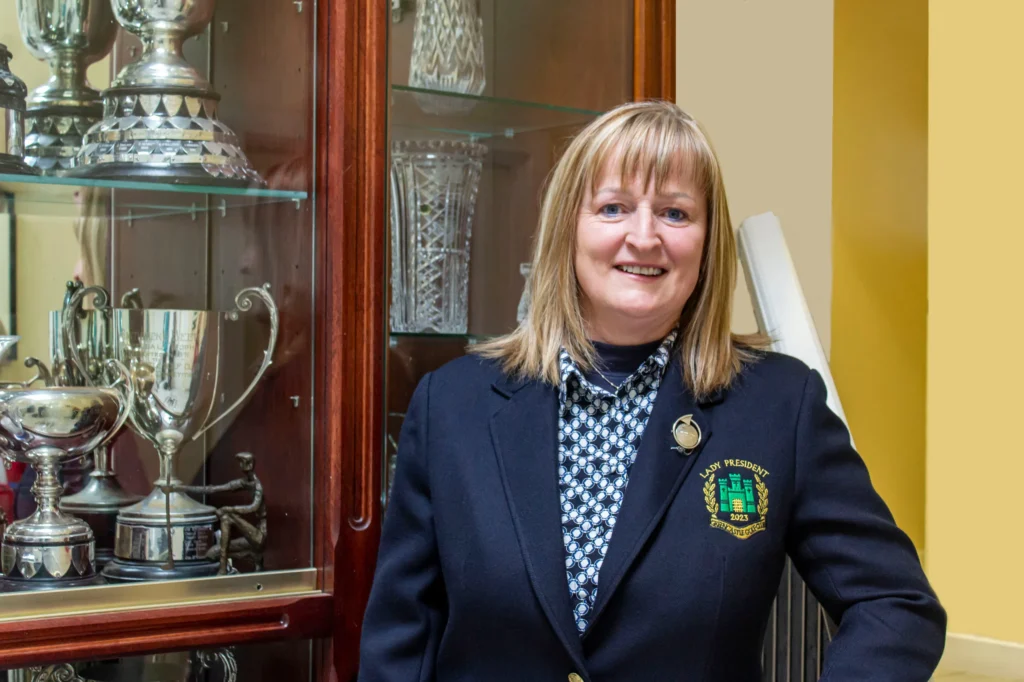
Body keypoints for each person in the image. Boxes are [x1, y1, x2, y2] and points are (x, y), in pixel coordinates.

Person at [358, 101, 945, 681]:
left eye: (675, 213)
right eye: (613, 208)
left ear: (707, 241)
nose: (644, 237)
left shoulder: (780, 407)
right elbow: (401, 638)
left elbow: (897, 605)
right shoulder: (451, 406)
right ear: (569, 228)